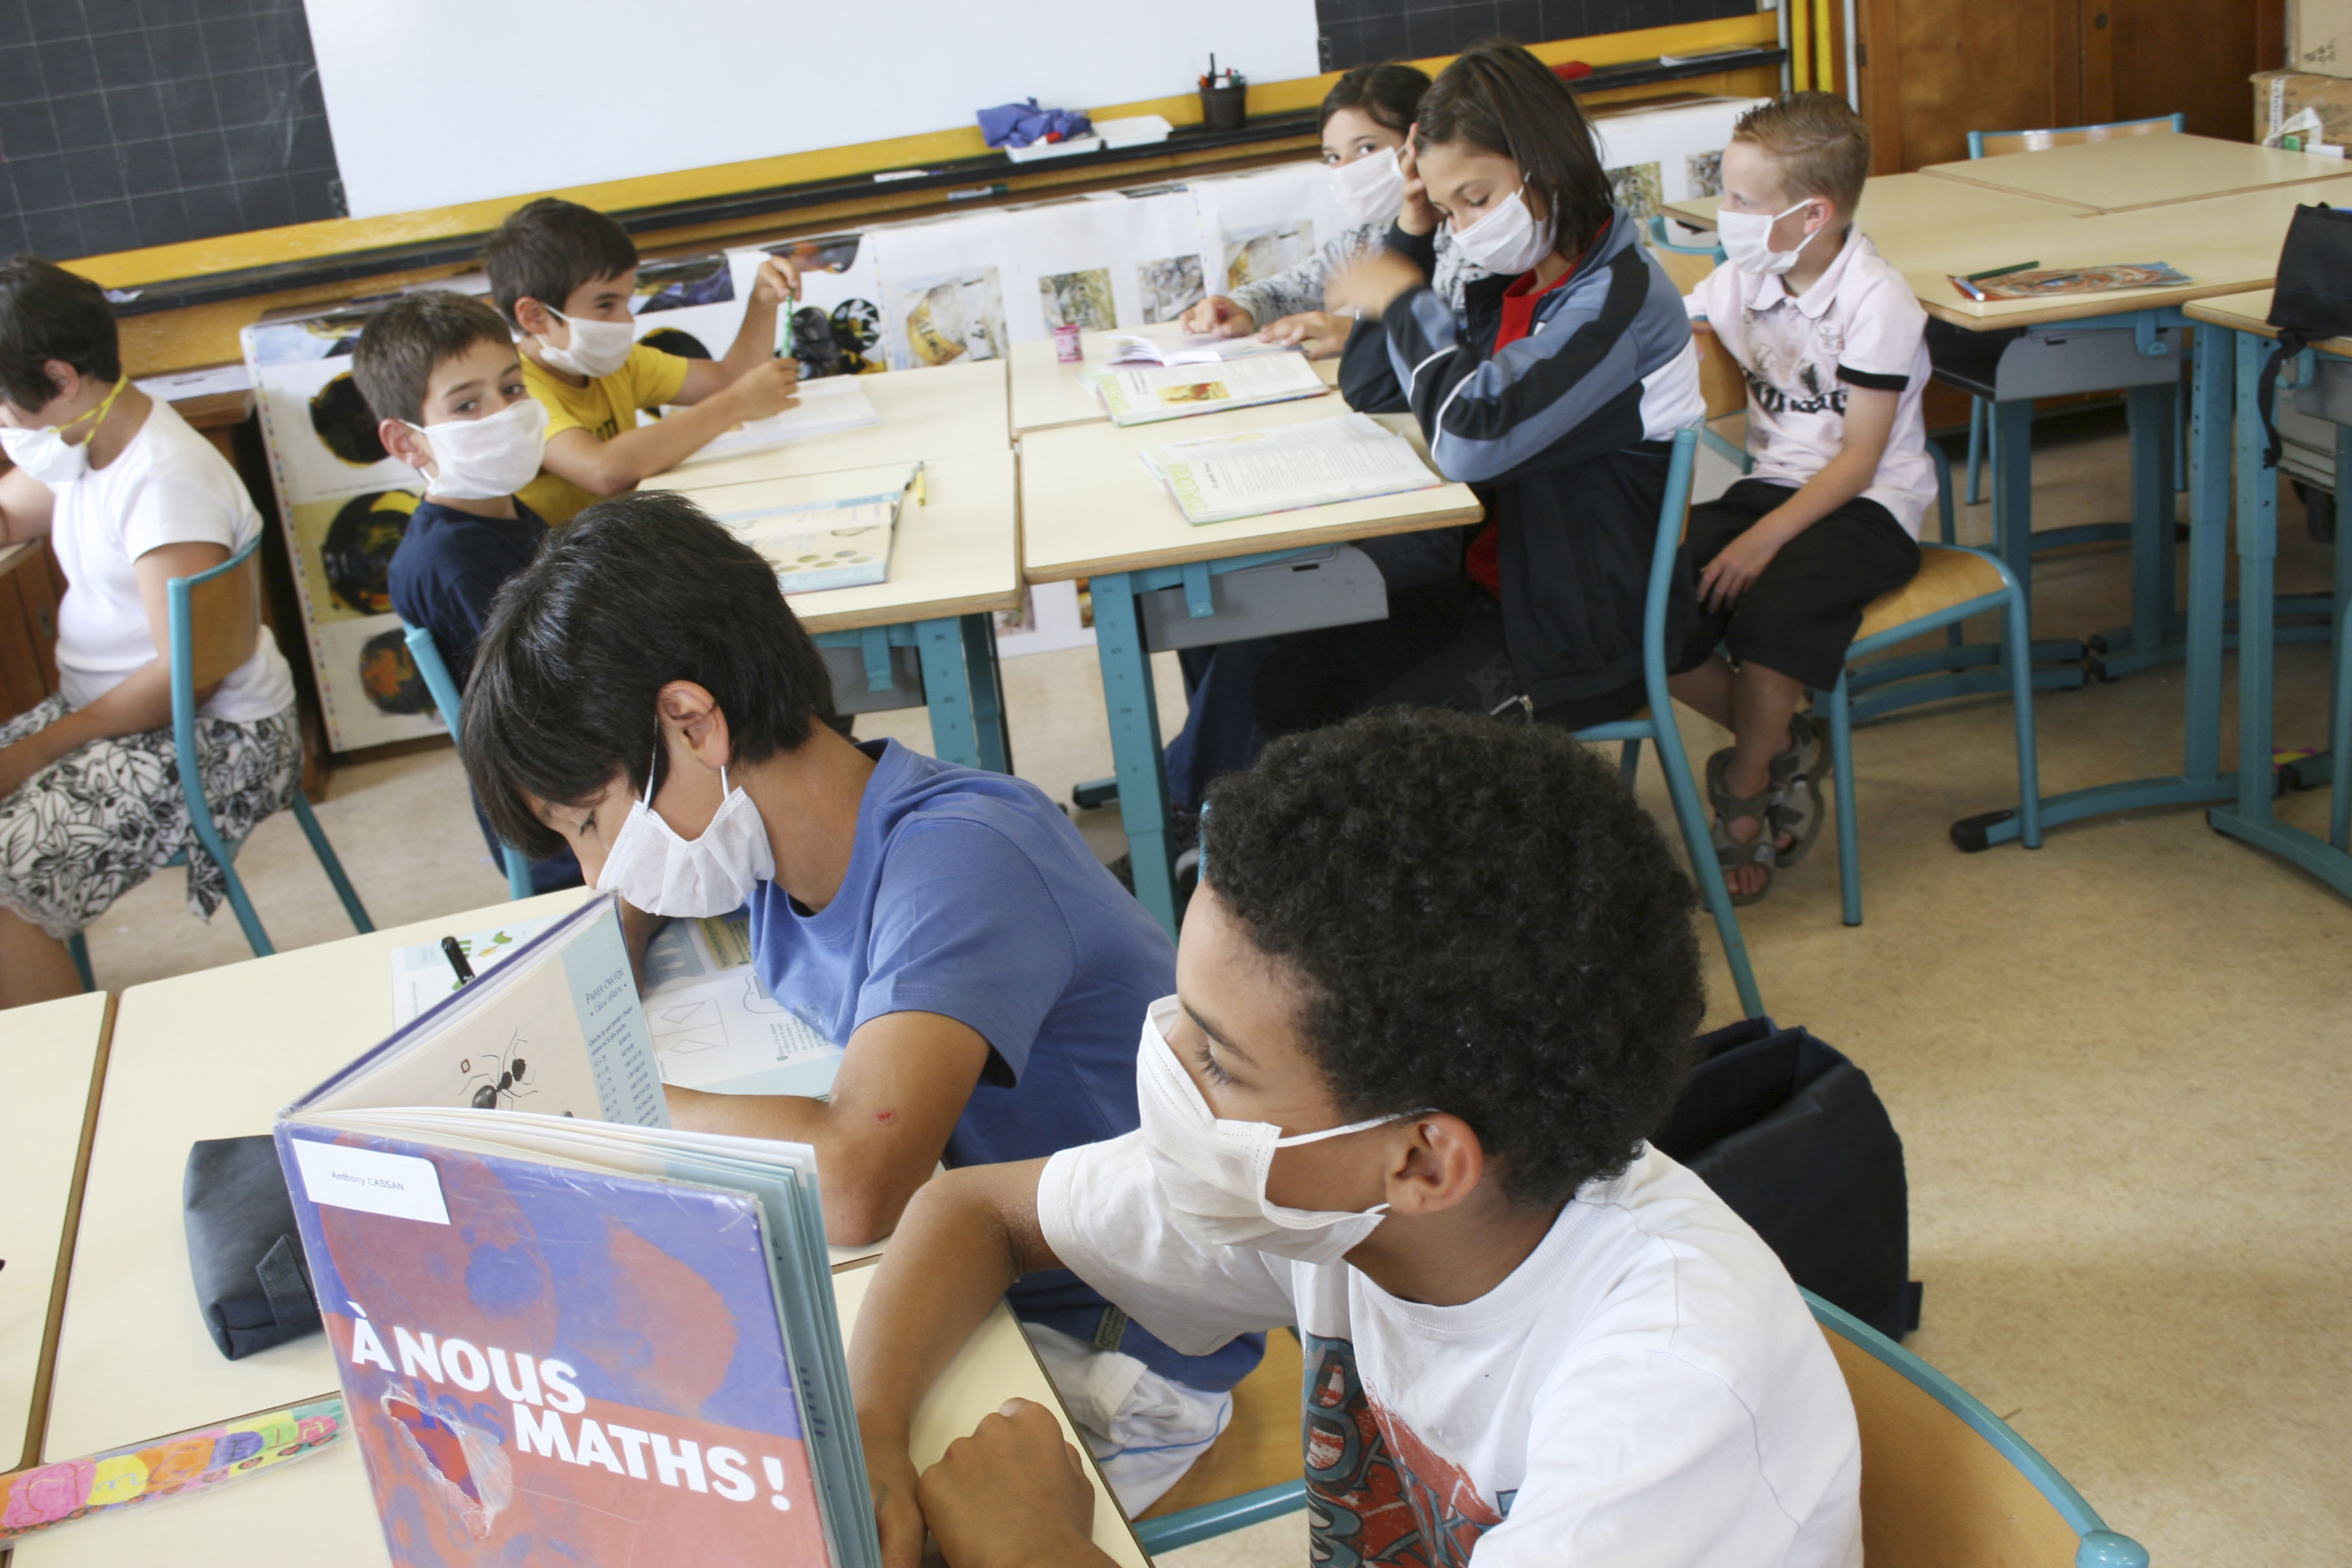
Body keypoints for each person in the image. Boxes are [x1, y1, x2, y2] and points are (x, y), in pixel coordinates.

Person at [846, 709, 1863, 1568]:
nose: (1164, 1065)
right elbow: (979, 1212)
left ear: (1422, 1161)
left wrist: (1036, 1552)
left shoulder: (1667, 1406)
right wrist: (868, 1428)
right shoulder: (1335, 1195)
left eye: (1217, 1058)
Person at [457, 493, 1261, 1510]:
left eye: (588, 822)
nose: (594, 869)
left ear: (693, 723)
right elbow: (633, 889)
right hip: (973, 1277)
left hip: (1115, 1343)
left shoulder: (962, 860)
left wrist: (593, 1091)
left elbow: (854, 1186)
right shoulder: (777, 829)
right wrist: (614, 914)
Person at [1254, 40, 1706, 740]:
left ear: (1546, 161)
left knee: (1361, 755)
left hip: (1580, 635)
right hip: (1496, 588)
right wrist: (1411, 233)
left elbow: (1469, 438)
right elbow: (1372, 386)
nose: (1466, 229)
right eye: (1448, 210)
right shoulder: (1515, 279)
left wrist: (1405, 299)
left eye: (1477, 199)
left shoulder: (1617, 302)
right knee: (1282, 685)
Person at [0, 257, 301, 1008]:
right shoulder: (85, 442)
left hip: (217, 736)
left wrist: (34, 751)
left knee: (4, 869)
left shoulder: (163, 481)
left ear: (60, 379)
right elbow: (9, 513)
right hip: (119, 715)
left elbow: (187, 675)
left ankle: (55, 1054)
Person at [1667, 93, 1931, 903]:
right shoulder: (1740, 279)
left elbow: (1859, 460)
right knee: (1644, 595)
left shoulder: (1878, 300)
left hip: (1871, 505)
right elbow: (1668, 334)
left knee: (1774, 613)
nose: (1726, 214)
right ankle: (1782, 740)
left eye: (1743, 201)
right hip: (1773, 488)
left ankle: (1747, 785)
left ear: (1812, 214)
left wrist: (1761, 540)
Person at [351, 288, 581, 895]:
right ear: (408, 442)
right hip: (566, 824)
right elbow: (547, 713)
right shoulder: (453, 562)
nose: (503, 414)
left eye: (512, 388)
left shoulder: (501, 511)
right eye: (467, 405)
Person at [481, 198, 804, 525]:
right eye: (605, 305)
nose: (627, 321)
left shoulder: (613, 363)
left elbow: (729, 379)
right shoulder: (513, 390)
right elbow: (602, 471)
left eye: (627, 301)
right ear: (535, 316)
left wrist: (763, 301)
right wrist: (735, 405)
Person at [1180, 62, 1489, 358]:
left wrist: (1358, 333)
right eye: (1333, 157)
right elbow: (1286, 290)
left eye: (1366, 148)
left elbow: (1472, 349)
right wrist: (1240, 307)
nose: (1347, 171)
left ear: (1416, 143)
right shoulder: (1366, 238)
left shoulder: (1471, 236)